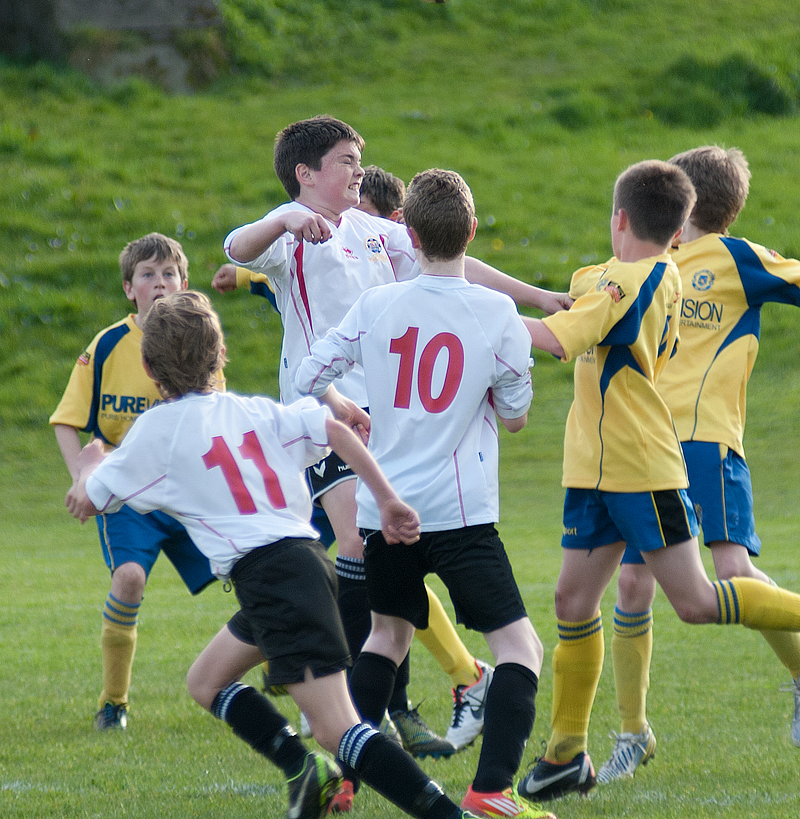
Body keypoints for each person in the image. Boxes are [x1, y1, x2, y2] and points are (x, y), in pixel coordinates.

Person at [223, 116, 570, 766]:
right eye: (347, 160)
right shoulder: (290, 236)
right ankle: (343, 707)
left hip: (384, 419)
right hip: (320, 414)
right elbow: (237, 247)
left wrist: (539, 296)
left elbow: (459, 273)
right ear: (306, 173)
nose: (360, 170)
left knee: (385, 579)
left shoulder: (374, 231)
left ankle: (357, 712)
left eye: (360, 159)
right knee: (357, 541)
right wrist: (282, 218)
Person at [64, 290, 482, 819]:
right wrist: (387, 497)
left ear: (148, 367)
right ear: (220, 356)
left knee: (340, 731)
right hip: (300, 566)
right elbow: (334, 429)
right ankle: (300, 766)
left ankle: (448, 816)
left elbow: (88, 501)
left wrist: (88, 462)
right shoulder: (253, 409)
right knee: (206, 680)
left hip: (275, 578)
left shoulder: (155, 433)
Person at [514, 159, 800, 805]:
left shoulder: (668, 274)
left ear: (621, 218)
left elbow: (561, 336)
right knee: (581, 597)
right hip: (603, 463)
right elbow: (581, 289)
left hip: (666, 454)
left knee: (707, 592)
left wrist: (467, 312)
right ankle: (587, 745)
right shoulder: (620, 274)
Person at [296, 168, 557, 819]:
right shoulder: (497, 312)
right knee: (520, 648)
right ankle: (492, 787)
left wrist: (345, 403)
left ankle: (343, 766)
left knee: (386, 637)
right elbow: (517, 412)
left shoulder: (378, 304)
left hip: (383, 509)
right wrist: (497, 391)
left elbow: (308, 373)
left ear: (407, 234)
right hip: (459, 513)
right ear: (471, 230)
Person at [595, 146, 800, 784]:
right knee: (631, 587)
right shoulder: (650, 261)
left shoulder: (738, 259)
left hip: (706, 444)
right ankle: (633, 733)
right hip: (644, 446)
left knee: (732, 572)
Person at [50, 232, 219, 731]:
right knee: (128, 580)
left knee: (253, 571)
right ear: (130, 288)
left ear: (184, 283)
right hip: (127, 499)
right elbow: (67, 420)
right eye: (148, 275)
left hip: (187, 495)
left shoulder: (200, 341)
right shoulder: (107, 345)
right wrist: (84, 473)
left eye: (169, 274)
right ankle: (113, 703)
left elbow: (212, 420)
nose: (160, 283)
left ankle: (283, 664)